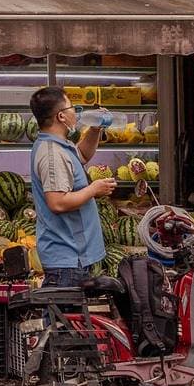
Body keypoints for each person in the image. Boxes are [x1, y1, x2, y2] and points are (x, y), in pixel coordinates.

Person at [28, 86, 117, 288]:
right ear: (61, 116)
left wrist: (95, 128)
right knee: (61, 317)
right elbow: (57, 202)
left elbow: (83, 156)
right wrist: (94, 189)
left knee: (64, 317)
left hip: (73, 257)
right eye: (72, 108)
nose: (76, 113)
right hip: (66, 257)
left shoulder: (60, 145)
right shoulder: (52, 154)